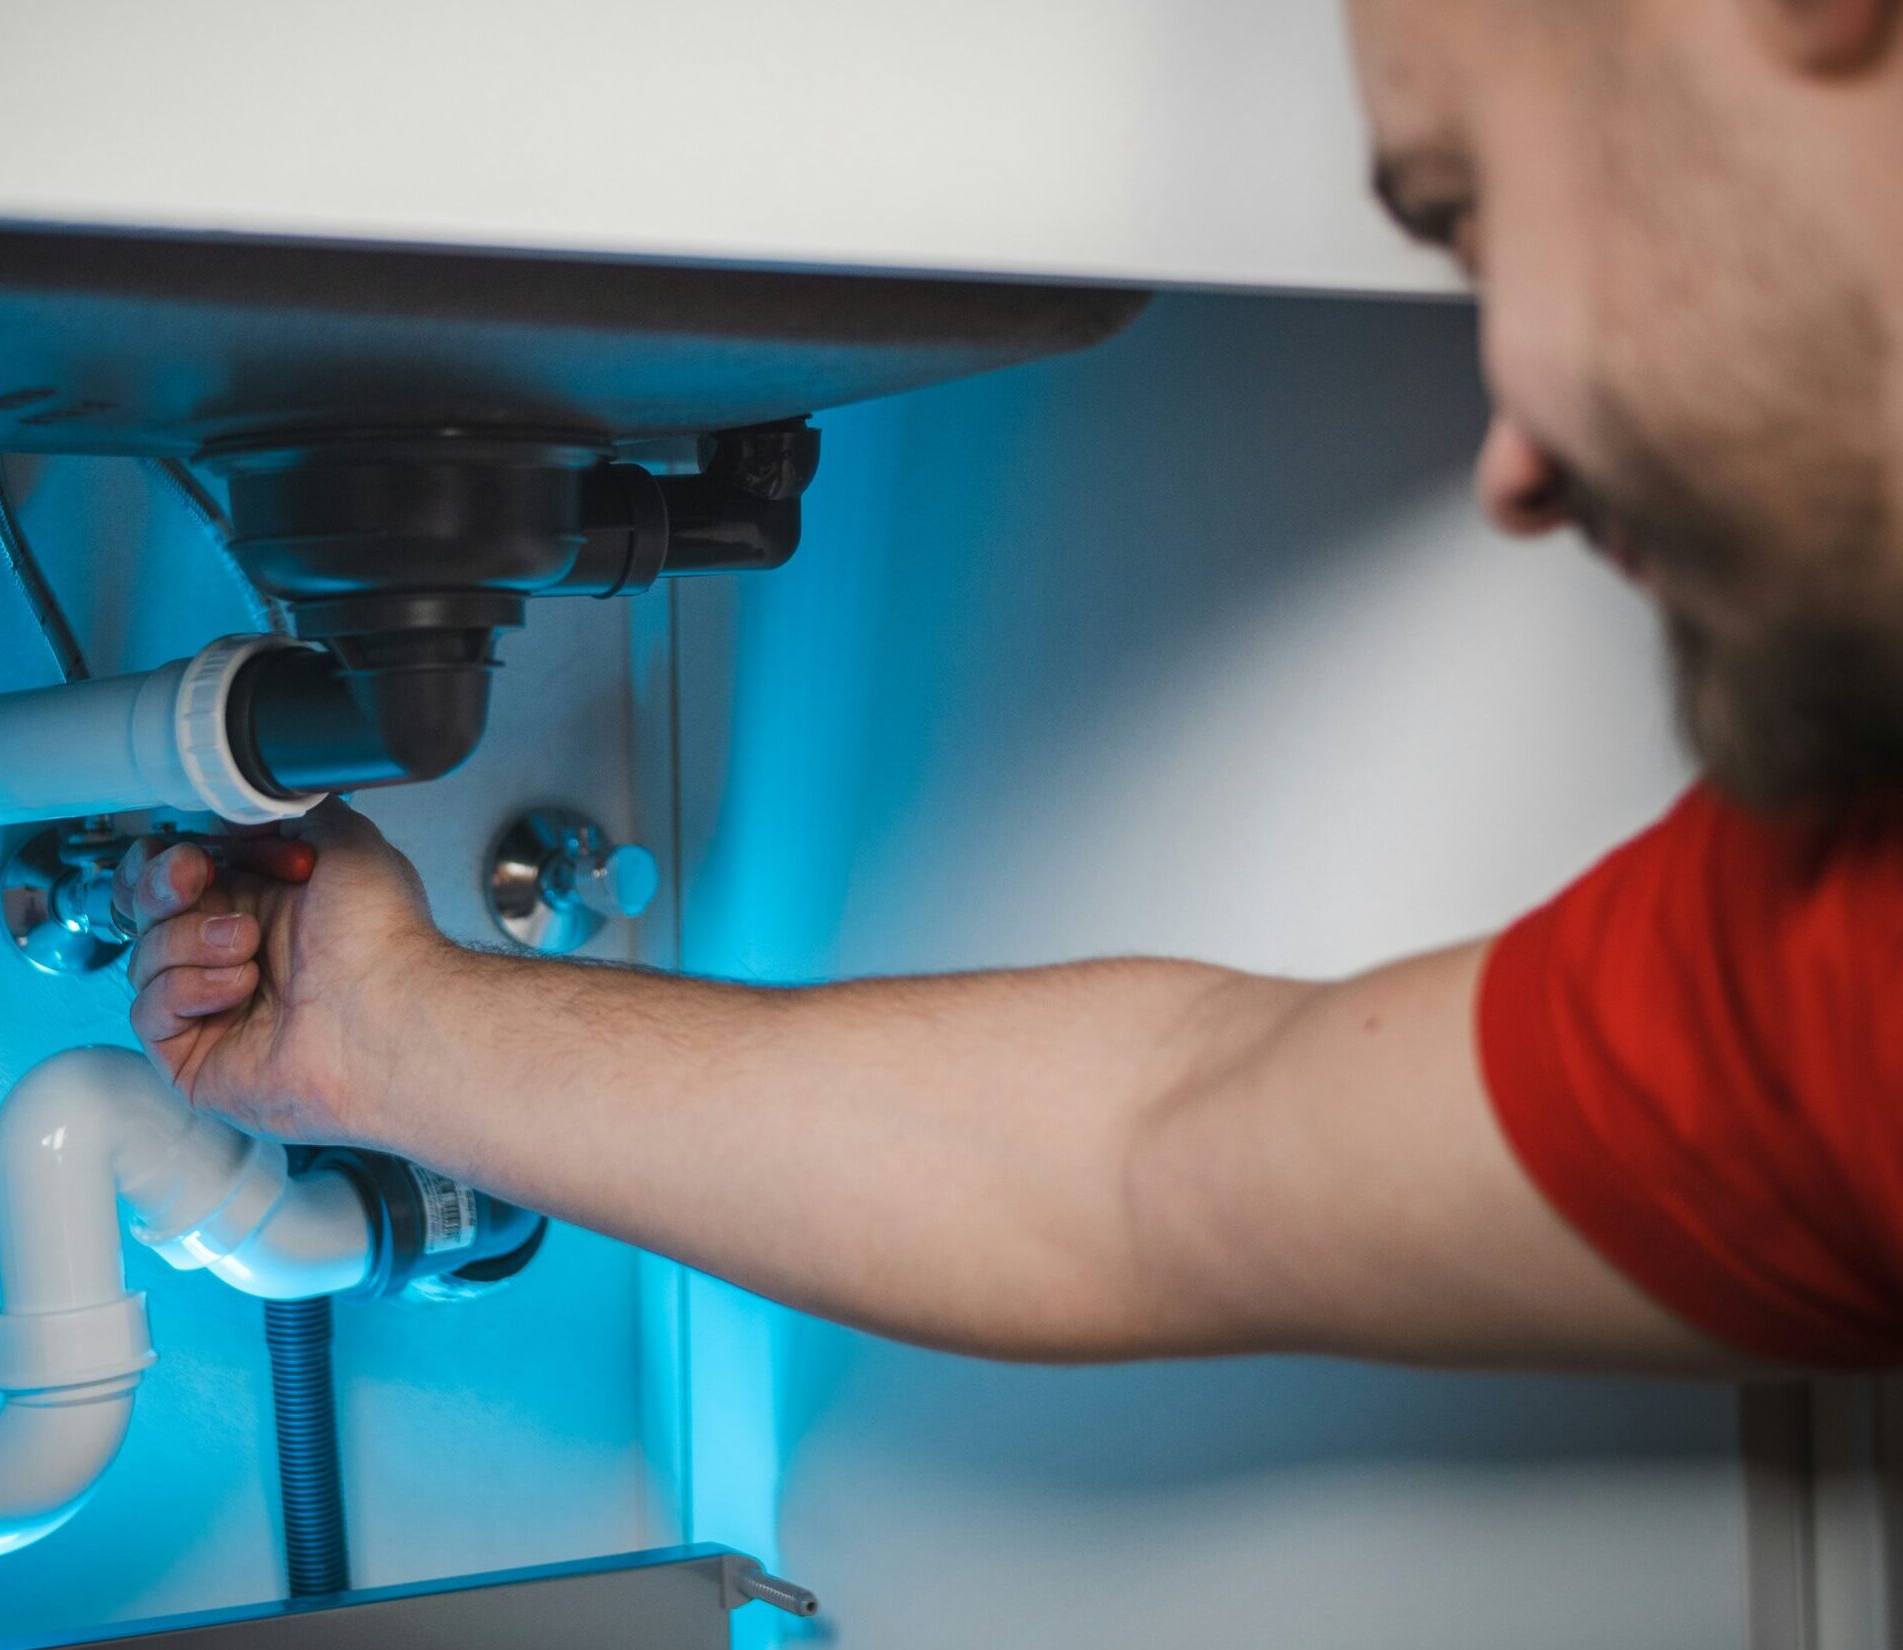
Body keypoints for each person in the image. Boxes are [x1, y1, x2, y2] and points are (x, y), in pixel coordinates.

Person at [114, 0, 1903, 1373]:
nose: (1515, 461)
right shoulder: (1829, 984)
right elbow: (1148, 1159)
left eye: (1480, 214)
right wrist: (391, 1029)